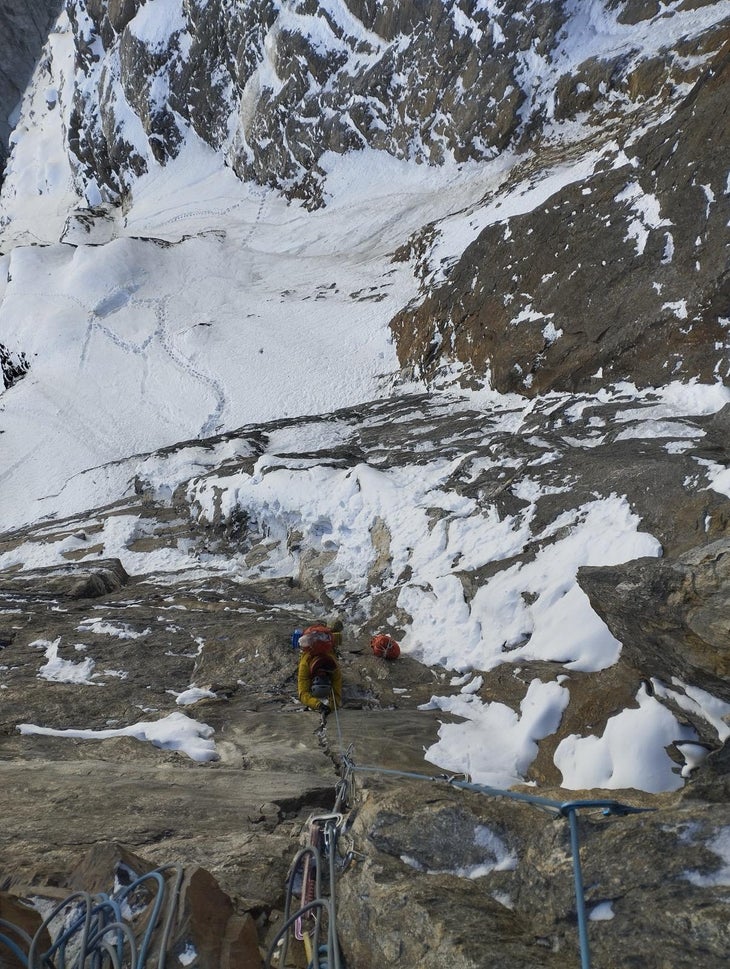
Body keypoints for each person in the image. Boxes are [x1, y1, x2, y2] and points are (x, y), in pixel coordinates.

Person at [297, 625, 342, 713]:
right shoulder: (305, 665)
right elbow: (302, 694)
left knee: (336, 637)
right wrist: (319, 705)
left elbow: (336, 694)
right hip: (316, 646)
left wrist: (330, 707)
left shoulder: (334, 668)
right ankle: (329, 629)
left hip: (327, 648)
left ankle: (330, 629)